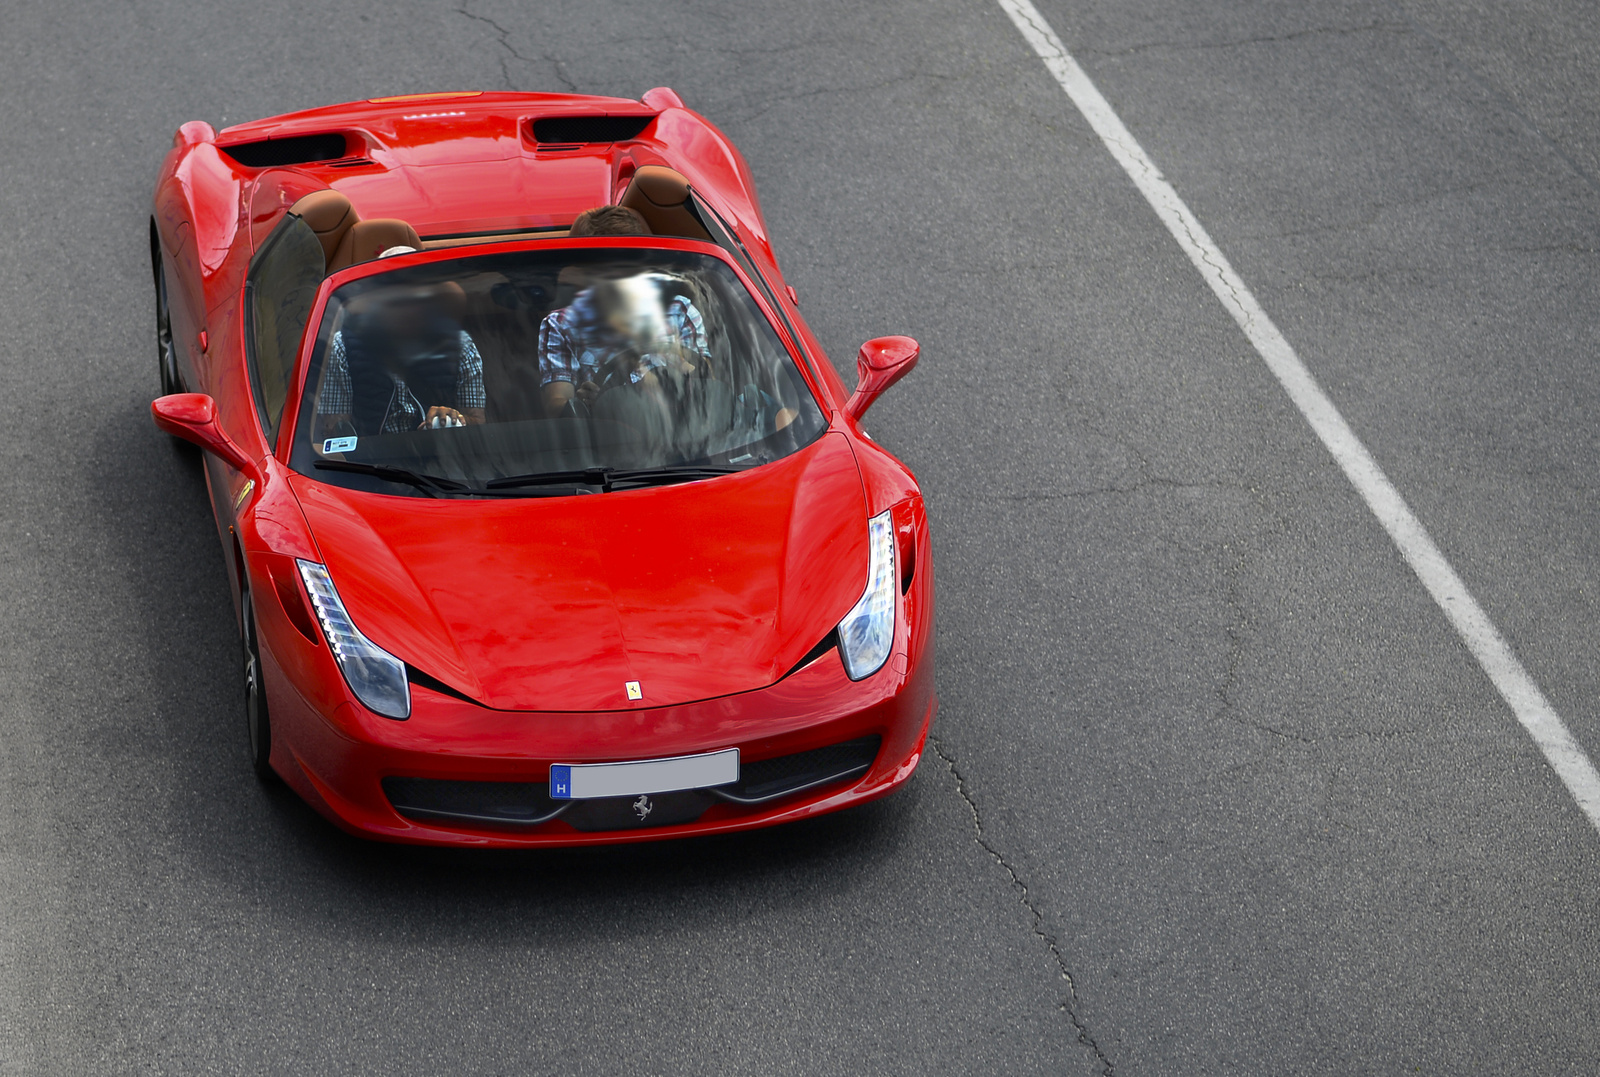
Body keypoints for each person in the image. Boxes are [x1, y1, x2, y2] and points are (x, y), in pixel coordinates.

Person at [537, 206, 711, 418]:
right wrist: (582, 403)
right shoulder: (560, 325)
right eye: (610, 272)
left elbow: (709, 385)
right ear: (587, 273)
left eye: (632, 268)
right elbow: (557, 406)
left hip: (682, 430)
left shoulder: (680, 311)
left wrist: (683, 365)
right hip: (609, 434)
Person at [316, 257, 486, 441]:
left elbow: (477, 423)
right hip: (368, 465)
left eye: (416, 301)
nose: (407, 312)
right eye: (395, 302)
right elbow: (334, 432)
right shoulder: (343, 347)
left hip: (440, 462)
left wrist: (454, 419)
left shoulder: (460, 345)